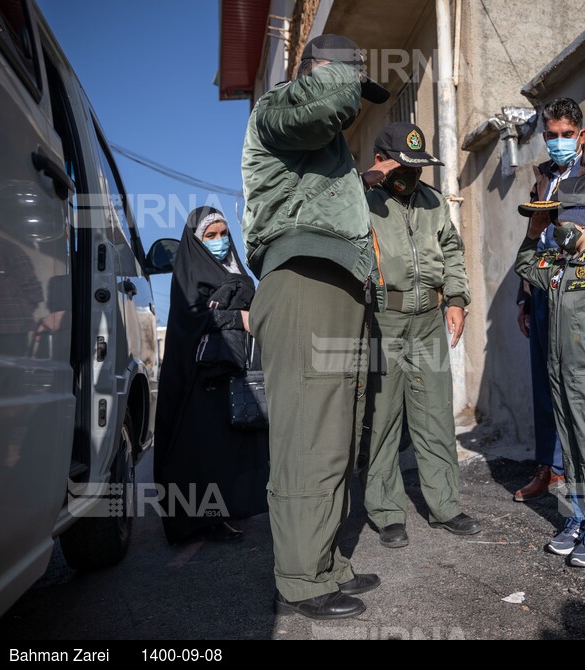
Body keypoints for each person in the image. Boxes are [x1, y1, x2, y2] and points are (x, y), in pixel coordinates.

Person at [242, 34, 390, 620]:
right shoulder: (278, 106)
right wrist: (337, 77)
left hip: (334, 284)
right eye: (351, 85)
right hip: (302, 279)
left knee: (334, 434)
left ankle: (325, 562)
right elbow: (321, 106)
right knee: (307, 435)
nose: (355, 106)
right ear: (322, 73)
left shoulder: (322, 139)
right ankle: (301, 579)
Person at [358, 122, 481, 549]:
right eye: (403, 168)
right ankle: (387, 512)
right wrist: (362, 182)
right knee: (382, 419)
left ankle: (445, 506)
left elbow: (451, 249)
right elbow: (324, 210)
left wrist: (457, 299)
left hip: (429, 322)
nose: (411, 177)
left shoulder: (430, 202)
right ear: (381, 162)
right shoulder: (361, 201)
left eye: (418, 168)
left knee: (434, 417)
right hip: (383, 323)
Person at [514, 98, 585, 502]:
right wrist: (526, 299)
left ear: (581, 135)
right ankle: (553, 469)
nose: (559, 142)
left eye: (567, 135)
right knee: (548, 383)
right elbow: (535, 234)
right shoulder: (543, 177)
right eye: (551, 136)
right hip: (547, 289)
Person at [515, 177, 585, 568]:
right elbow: (526, 265)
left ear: (580, 223)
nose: (555, 230)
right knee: (571, 448)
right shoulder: (560, 266)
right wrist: (533, 233)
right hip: (559, 375)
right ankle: (580, 518)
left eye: (559, 222)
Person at [153, 207, 269, 545]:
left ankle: (230, 509)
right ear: (197, 240)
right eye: (210, 235)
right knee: (201, 449)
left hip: (237, 369)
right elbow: (190, 319)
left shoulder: (235, 266)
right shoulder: (190, 271)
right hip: (202, 377)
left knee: (232, 447)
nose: (219, 241)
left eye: (222, 234)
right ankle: (198, 521)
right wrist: (238, 319)